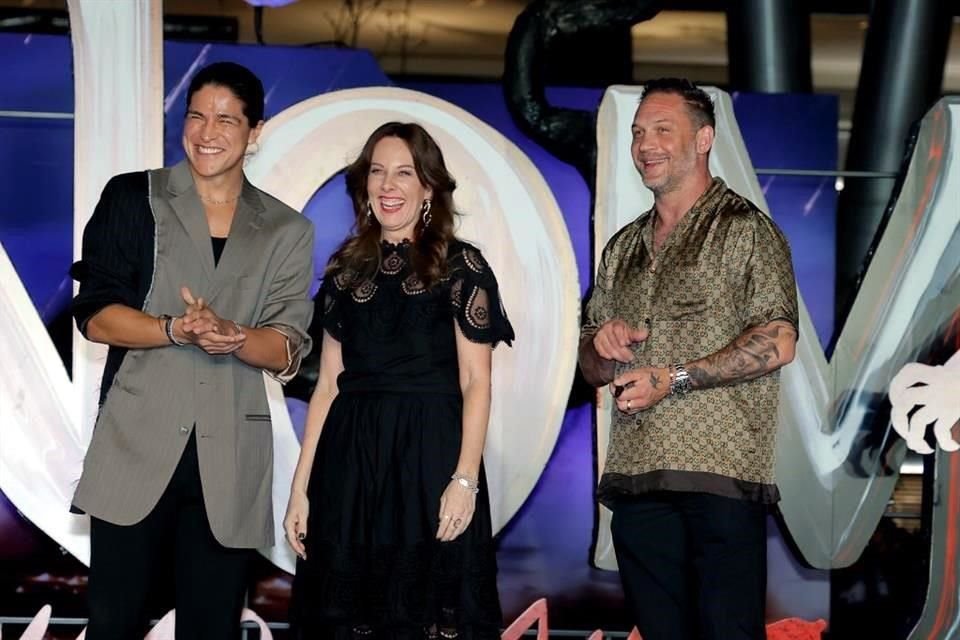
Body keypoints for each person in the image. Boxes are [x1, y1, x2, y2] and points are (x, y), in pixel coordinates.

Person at [70, 61, 314, 639]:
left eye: (226, 120)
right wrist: (175, 329)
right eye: (197, 115)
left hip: (231, 459)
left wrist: (237, 337)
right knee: (112, 624)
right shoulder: (135, 196)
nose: (207, 132)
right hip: (135, 445)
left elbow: (286, 348)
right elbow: (96, 315)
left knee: (211, 627)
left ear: (255, 131)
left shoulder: (286, 230)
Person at [578, 78, 799, 640]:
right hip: (636, 476)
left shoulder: (745, 230)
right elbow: (590, 368)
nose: (645, 145)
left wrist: (672, 378)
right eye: (637, 133)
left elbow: (779, 339)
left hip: (719, 478)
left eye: (662, 130)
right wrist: (602, 346)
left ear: (703, 140)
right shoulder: (622, 246)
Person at [285, 122, 513, 639]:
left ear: (428, 187)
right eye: (377, 172)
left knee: (426, 607)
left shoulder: (462, 266)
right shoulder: (345, 271)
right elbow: (328, 386)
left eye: (404, 173)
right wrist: (300, 489)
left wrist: (464, 480)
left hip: (429, 459)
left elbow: (476, 381)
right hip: (350, 465)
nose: (388, 185)